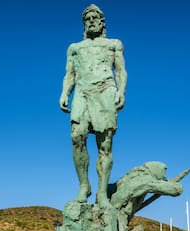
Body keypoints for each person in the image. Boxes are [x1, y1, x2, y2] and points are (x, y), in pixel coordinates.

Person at [59, 4, 127, 207]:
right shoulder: (74, 48)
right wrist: (64, 93)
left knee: (104, 144)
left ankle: (102, 193)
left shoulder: (114, 44)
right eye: (87, 18)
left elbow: (121, 71)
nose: (90, 21)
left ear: (101, 22)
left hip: (105, 91)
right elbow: (69, 74)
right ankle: (84, 186)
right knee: (77, 137)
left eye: (94, 17)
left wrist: (121, 91)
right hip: (82, 92)